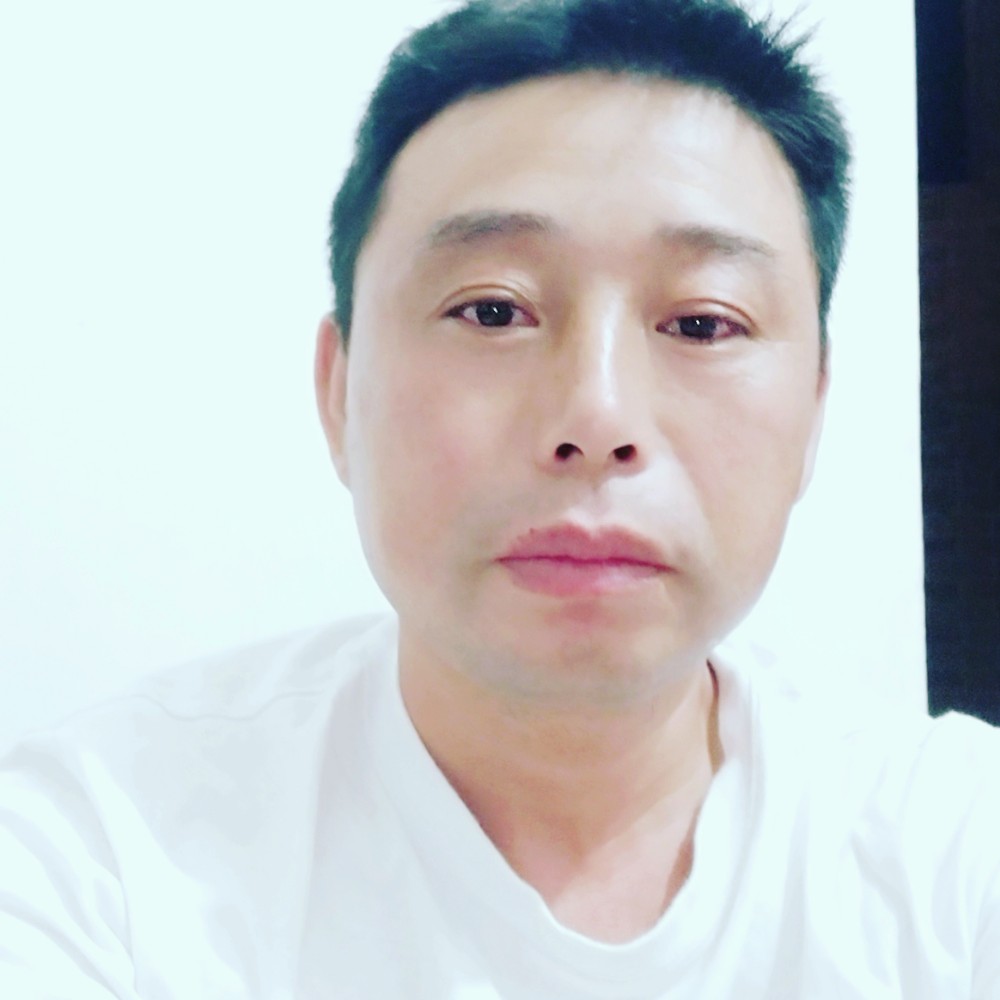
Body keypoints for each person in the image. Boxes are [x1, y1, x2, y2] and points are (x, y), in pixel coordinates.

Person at [1, 0, 997, 996]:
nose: (597, 414)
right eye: (491, 310)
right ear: (340, 390)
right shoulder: (97, 862)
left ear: (814, 410)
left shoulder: (954, 855)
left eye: (701, 323)